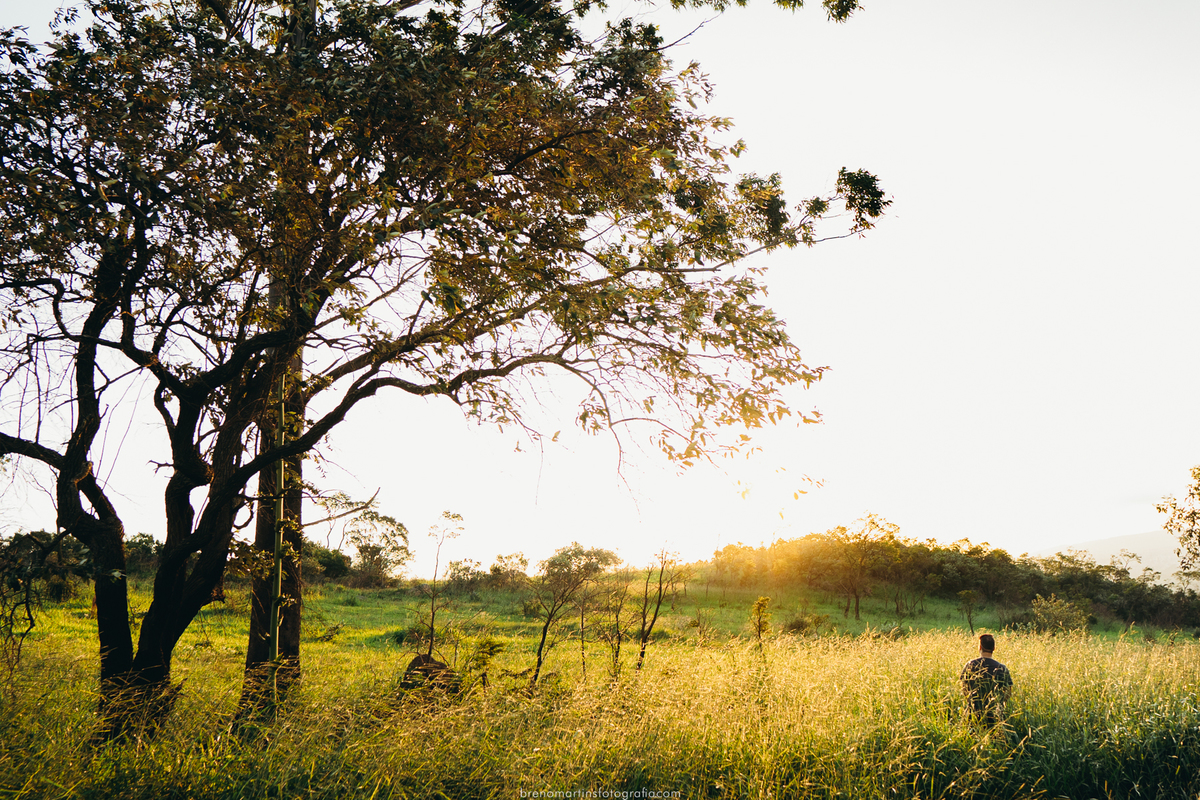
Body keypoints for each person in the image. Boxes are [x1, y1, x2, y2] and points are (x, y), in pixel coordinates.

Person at [960, 633, 1013, 725]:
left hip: (973, 714)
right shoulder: (1002, 668)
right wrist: (999, 704)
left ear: (980, 647)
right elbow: (1008, 692)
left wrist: (971, 701)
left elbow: (963, 688)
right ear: (994, 648)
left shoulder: (970, 665)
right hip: (995, 716)